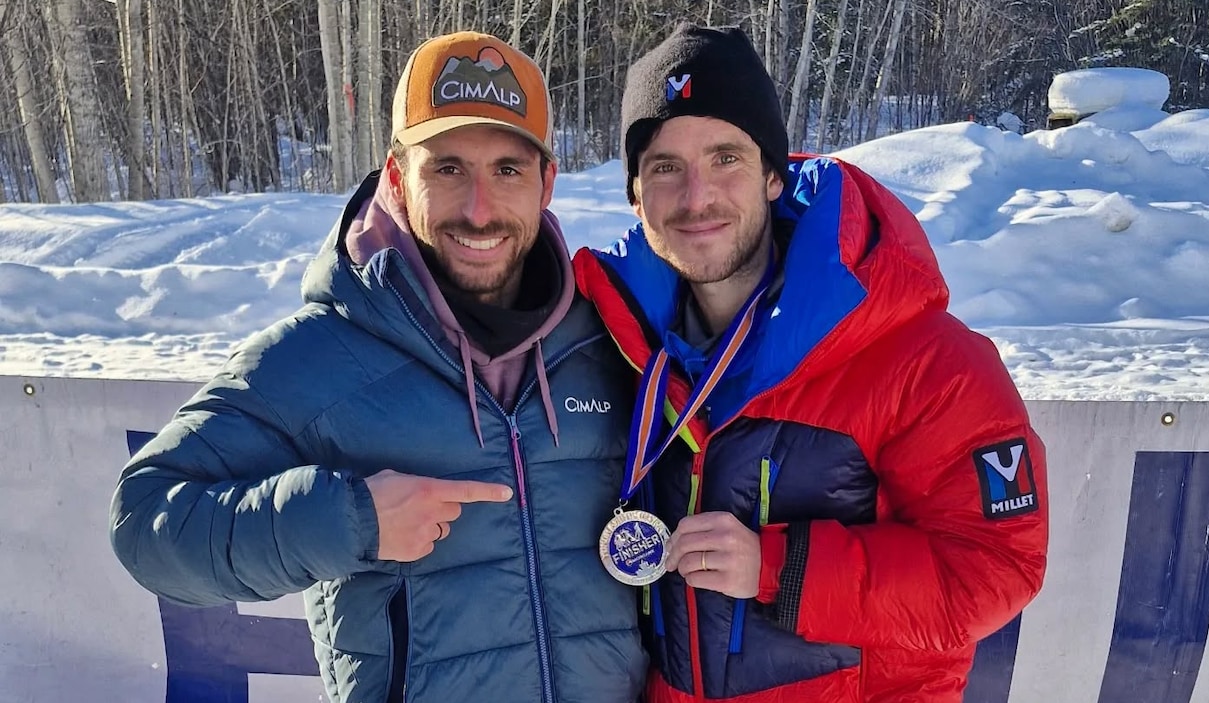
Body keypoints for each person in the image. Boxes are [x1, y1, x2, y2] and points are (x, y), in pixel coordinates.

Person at [110, 31, 646, 703]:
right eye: (446, 168)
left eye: (507, 168)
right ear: (396, 177)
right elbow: (143, 519)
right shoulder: (322, 355)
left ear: (546, 183)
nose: (478, 209)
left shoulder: (609, 343)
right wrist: (350, 520)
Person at [572, 24, 1048, 702]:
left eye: (725, 158)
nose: (696, 195)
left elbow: (997, 566)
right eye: (664, 166)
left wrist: (778, 567)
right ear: (635, 194)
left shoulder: (921, 355)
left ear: (773, 175)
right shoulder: (615, 345)